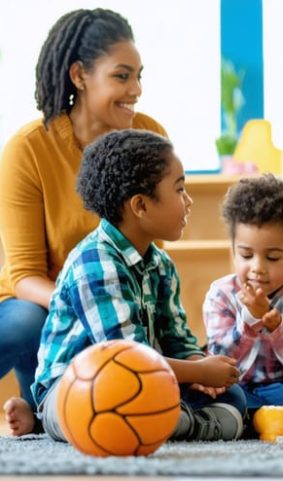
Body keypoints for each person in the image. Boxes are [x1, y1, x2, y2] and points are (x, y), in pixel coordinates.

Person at [0, 8, 167, 435]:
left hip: (117, 309)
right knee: (22, 322)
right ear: (79, 75)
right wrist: (86, 302)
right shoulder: (28, 149)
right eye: (122, 76)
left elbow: (152, 256)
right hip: (43, 310)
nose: (137, 90)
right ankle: (46, 403)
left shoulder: (149, 137)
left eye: (139, 76)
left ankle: (44, 413)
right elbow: (23, 276)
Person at [33, 129, 246, 442]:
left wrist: (201, 368)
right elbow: (126, 359)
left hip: (142, 378)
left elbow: (177, 340)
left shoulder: (161, 264)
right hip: (73, 389)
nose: (188, 202)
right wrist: (201, 372)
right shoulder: (95, 263)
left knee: (235, 397)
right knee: (115, 401)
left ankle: (175, 422)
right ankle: (185, 424)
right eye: (180, 190)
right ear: (141, 206)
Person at [204, 174, 283, 413]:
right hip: (238, 388)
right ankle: (251, 413)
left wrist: (279, 328)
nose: (258, 267)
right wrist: (250, 319)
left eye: (272, 257)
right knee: (206, 388)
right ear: (233, 251)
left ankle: (247, 417)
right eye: (246, 255)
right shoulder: (220, 294)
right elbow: (219, 359)